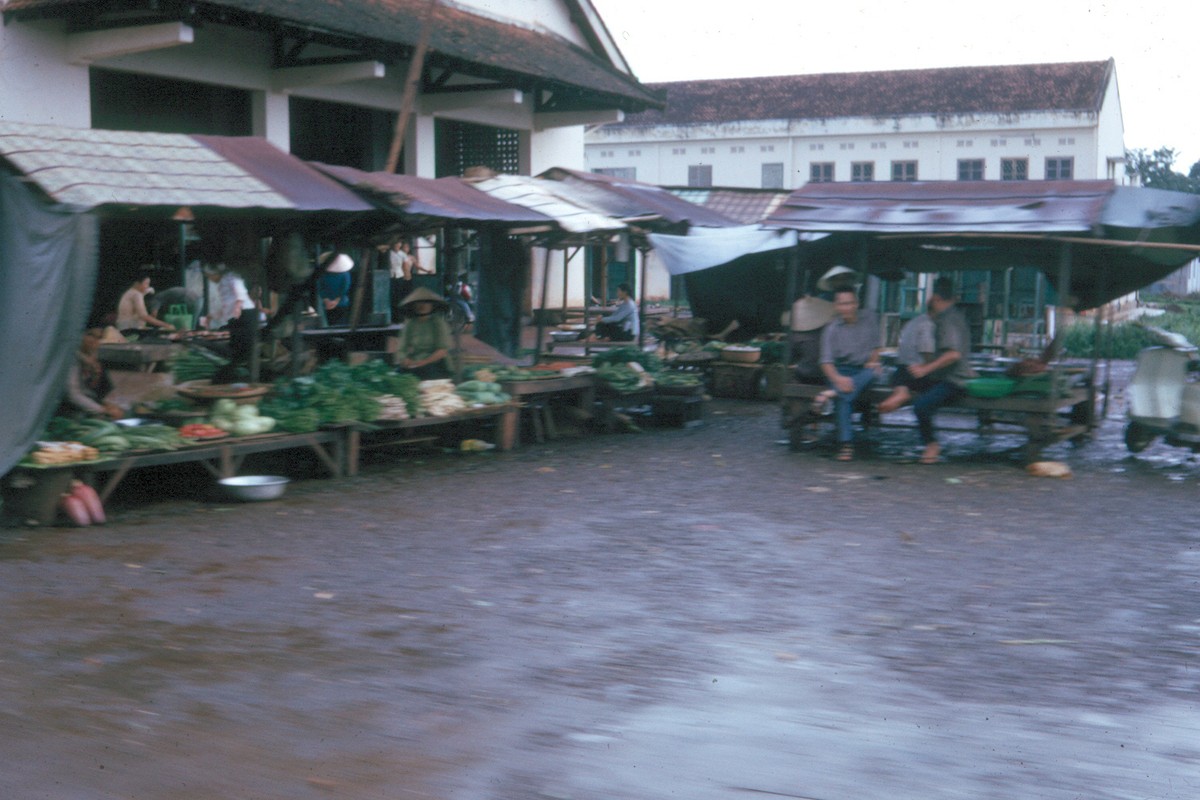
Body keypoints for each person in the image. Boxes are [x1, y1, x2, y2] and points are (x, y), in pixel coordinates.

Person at [905, 276, 976, 464]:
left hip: (954, 380)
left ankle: (932, 444)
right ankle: (898, 394)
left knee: (921, 406)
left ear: (936, 298)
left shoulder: (949, 319)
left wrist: (926, 368)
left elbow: (953, 354)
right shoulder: (952, 316)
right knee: (903, 375)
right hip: (944, 376)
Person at [814, 286, 881, 461]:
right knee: (845, 396)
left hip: (864, 370)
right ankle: (845, 444)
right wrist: (837, 378)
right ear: (836, 306)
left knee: (873, 371)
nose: (846, 307)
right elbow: (825, 362)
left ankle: (832, 394)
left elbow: (876, 347)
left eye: (850, 303)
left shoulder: (869, 319)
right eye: (842, 304)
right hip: (840, 370)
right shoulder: (831, 328)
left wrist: (872, 360)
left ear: (856, 304)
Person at [876, 303, 937, 414]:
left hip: (901, 372)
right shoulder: (928, 324)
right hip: (917, 373)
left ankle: (901, 392)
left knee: (902, 379)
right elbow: (927, 352)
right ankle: (902, 394)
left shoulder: (913, 322)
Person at [204, 264, 257, 378]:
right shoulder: (221, 284)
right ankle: (238, 374)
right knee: (236, 348)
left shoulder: (231, 276)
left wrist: (238, 305)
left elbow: (240, 290)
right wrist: (211, 316)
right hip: (236, 317)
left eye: (209, 277)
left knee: (243, 348)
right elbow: (226, 305)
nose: (210, 279)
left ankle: (248, 375)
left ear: (215, 274)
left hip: (244, 314)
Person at [62, 326, 123, 419]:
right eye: (90, 335)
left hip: (90, 407)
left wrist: (110, 404)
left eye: (99, 338)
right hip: (72, 411)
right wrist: (102, 410)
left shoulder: (94, 358)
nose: (94, 341)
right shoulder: (70, 359)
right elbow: (73, 395)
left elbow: (106, 389)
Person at [396, 287, 453, 380]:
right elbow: (401, 348)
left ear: (432, 305)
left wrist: (424, 362)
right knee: (398, 377)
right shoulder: (410, 323)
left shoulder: (438, 322)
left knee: (426, 376)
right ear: (413, 305)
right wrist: (404, 359)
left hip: (436, 363)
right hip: (415, 362)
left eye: (426, 302)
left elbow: (442, 350)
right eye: (418, 302)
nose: (422, 305)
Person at [317, 251, 353, 326]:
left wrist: (326, 300)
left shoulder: (322, 274)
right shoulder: (345, 274)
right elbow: (345, 288)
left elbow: (320, 287)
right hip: (341, 303)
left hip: (327, 304)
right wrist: (335, 301)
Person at [387, 239, 415, 322]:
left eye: (398, 243)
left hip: (400, 276)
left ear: (400, 244)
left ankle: (399, 318)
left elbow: (405, 266)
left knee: (399, 297)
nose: (397, 245)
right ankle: (392, 318)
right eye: (395, 243)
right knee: (392, 297)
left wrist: (407, 276)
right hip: (390, 276)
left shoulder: (402, 254)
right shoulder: (389, 253)